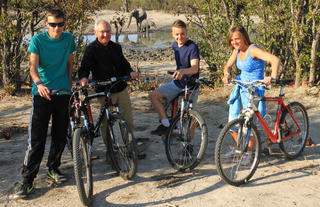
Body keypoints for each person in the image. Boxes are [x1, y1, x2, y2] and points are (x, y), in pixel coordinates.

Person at [14, 8, 77, 199]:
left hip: (63, 93)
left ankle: (53, 168)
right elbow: (32, 68)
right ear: (46, 24)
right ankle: (27, 180)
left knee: (60, 135)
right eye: (52, 24)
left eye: (60, 24)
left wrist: (69, 87)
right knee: (36, 139)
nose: (57, 28)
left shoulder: (68, 39)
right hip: (42, 94)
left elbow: (69, 65)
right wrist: (39, 84)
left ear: (64, 24)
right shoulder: (38, 41)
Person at [222, 25, 280, 163]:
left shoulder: (253, 50)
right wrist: (226, 74)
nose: (235, 42)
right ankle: (238, 149)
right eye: (232, 40)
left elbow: (274, 60)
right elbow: (227, 66)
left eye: (237, 39)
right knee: (233, 119)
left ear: (244, 37)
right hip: (242, 86)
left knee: (250, 121)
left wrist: (271, 77)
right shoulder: (236, 51)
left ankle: (249, 152)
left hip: (255, 88)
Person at [78, 19, 138, 146]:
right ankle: (110, 152)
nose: (105, 35)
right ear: (95, 32)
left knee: (128, 121)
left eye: (108, 32)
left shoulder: (116, 47)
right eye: (102, 32)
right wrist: (83, 78)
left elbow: (124, 64)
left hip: (120, 88)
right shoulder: (91, 49)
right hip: (103, 91)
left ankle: (130, 149)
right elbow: (84, 68)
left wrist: (131, 72)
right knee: (106, 124)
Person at [149, 19, 200, 136]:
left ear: (186, 32)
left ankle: (189, 144)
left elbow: (195, 68)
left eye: (182, 34)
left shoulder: (193, 47)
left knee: (190, 115)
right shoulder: (174, 45)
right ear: (172, 34)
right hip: (177, 83)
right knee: (153, 96)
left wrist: (182, 71)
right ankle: (166, 124)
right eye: (177, 34)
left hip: (191, 85)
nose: (180, 37)